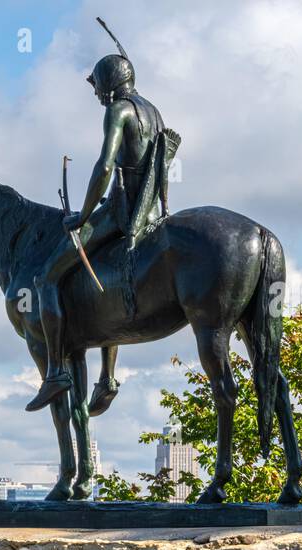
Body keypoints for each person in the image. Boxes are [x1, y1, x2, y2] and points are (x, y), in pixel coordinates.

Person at [27, 37, 178, 412]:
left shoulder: (119, 111)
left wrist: (82, 214)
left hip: (121, 212)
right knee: (100, 277)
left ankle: (56, 372)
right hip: (151, 215)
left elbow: (106, 166)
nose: (96, 95)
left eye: (97, 86)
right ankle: (107, 378)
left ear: (109, 82)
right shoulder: (153, 111)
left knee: (46, 277)